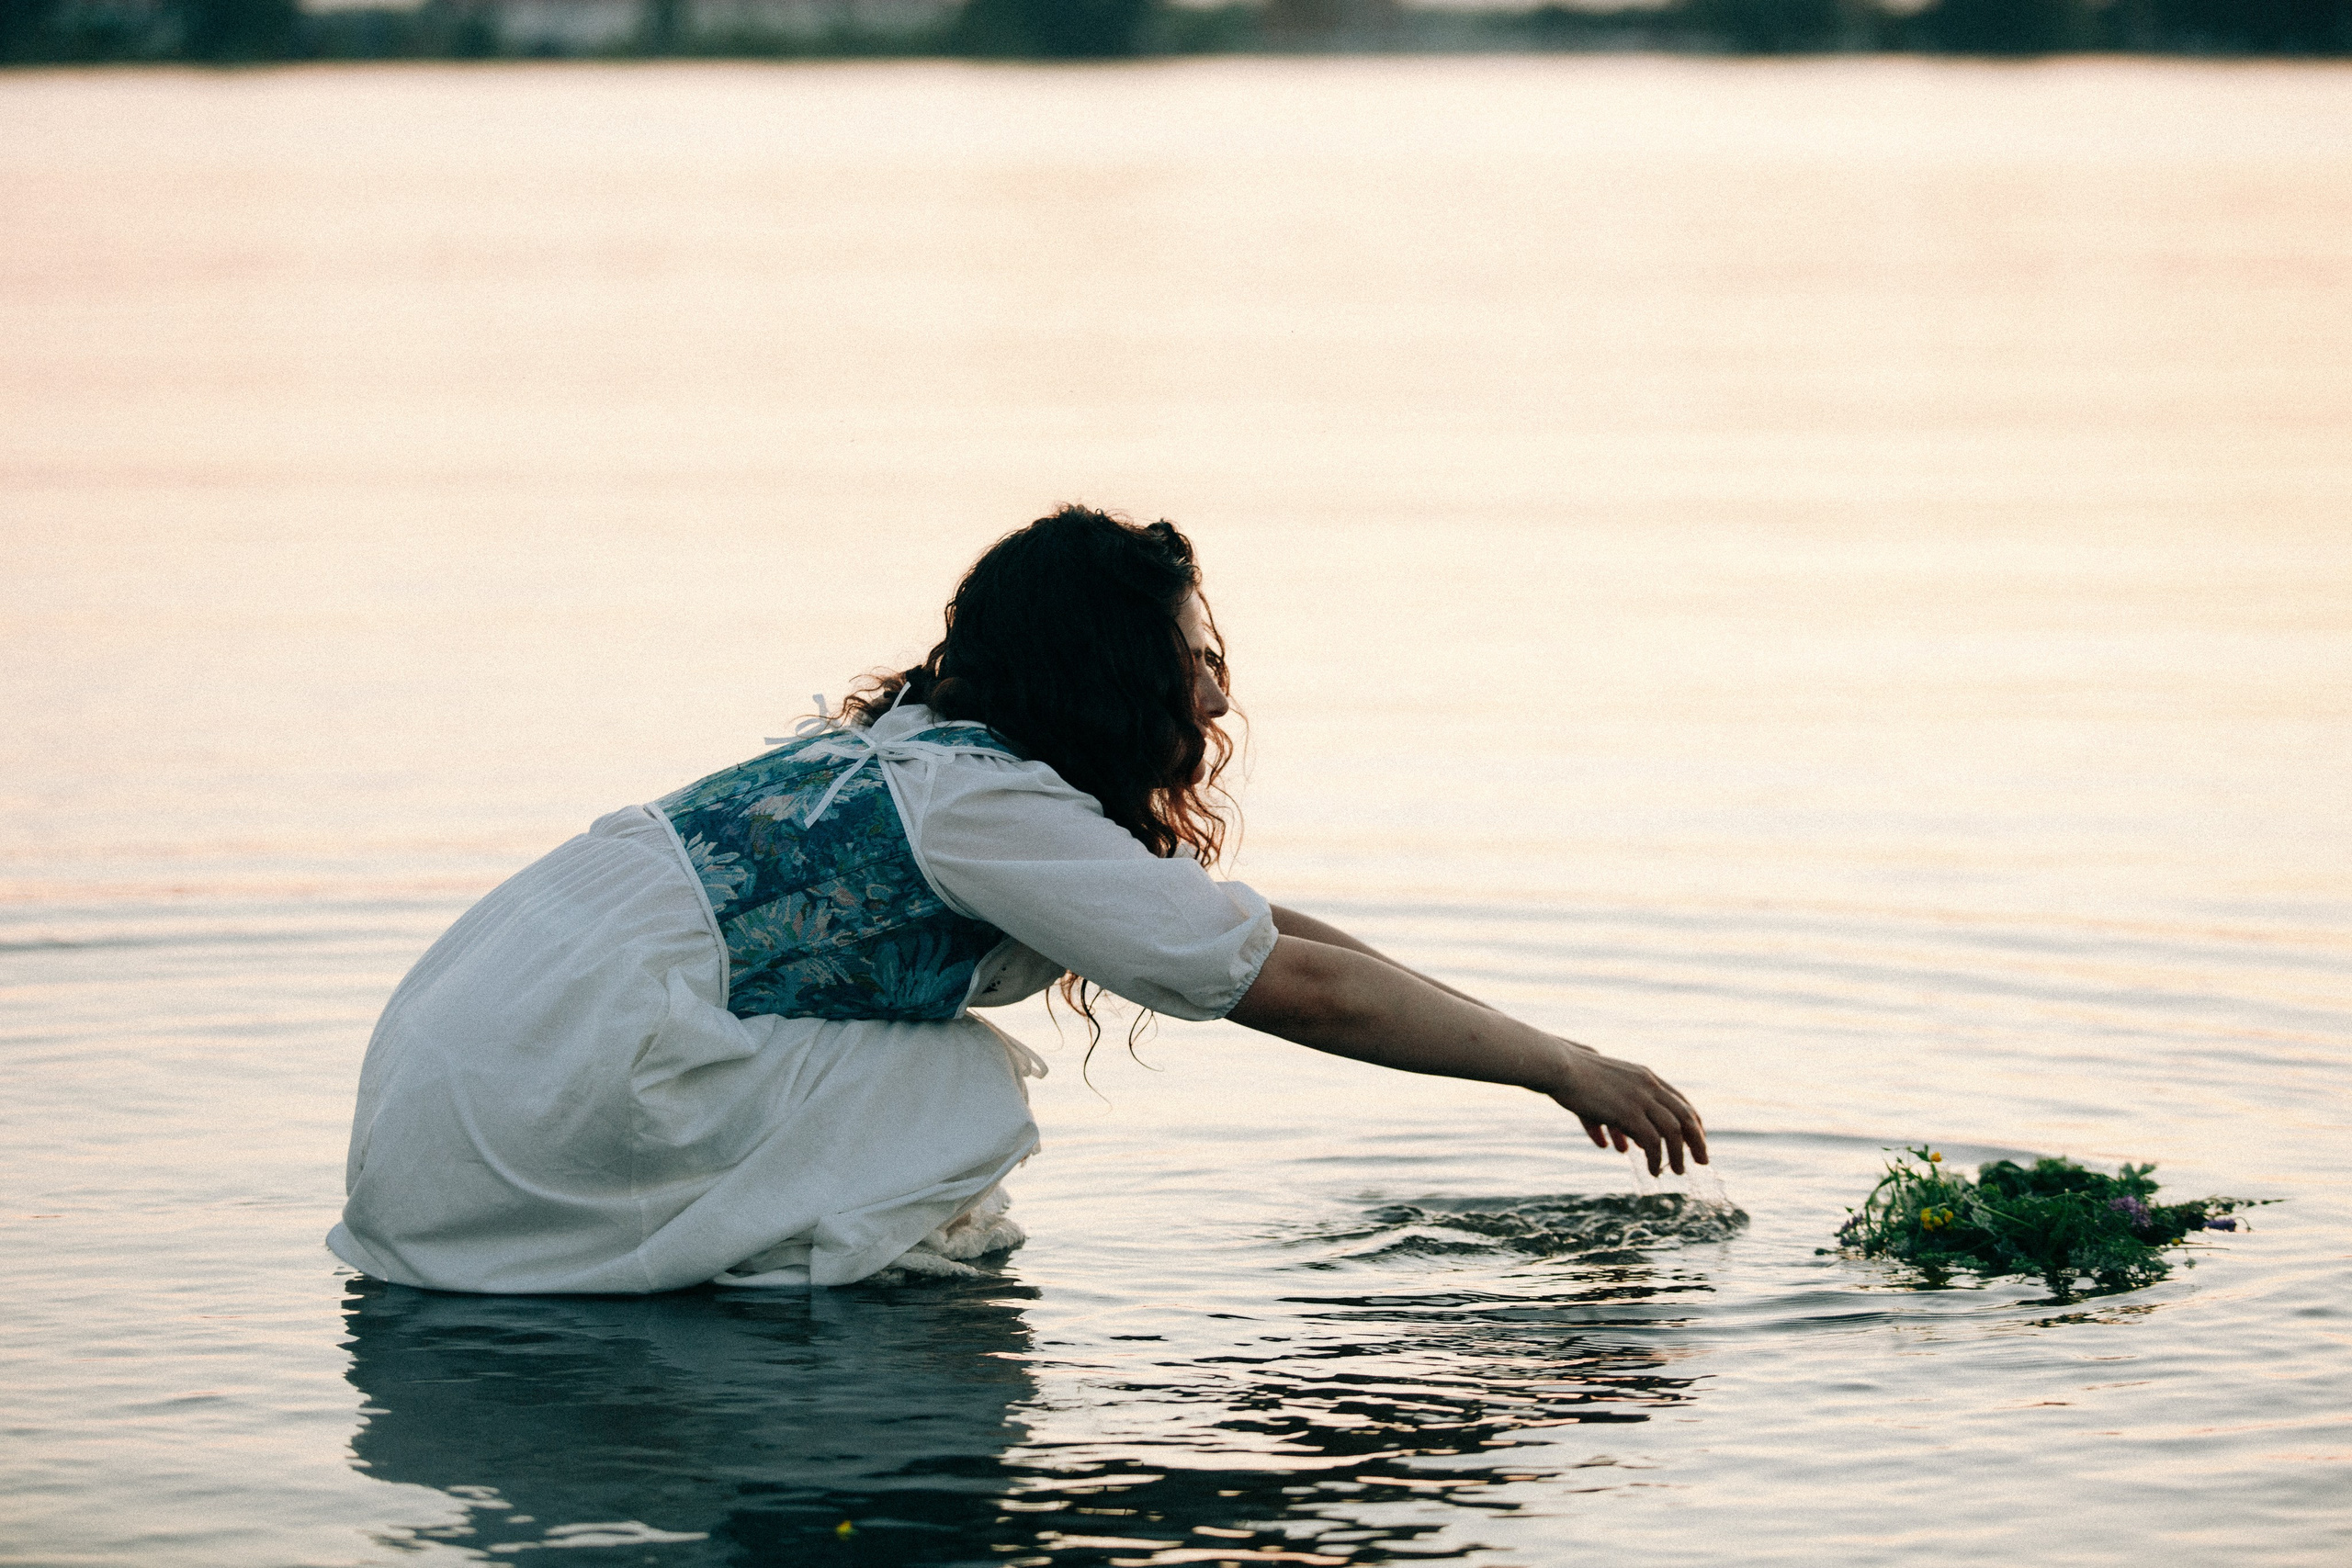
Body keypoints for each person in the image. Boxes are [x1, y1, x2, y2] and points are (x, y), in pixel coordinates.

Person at [328, 507, 1706, 1295]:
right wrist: (1560, 1069)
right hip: (522, 1125)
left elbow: (1261, 933)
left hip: (444, 1115)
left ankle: (735, 1249)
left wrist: (1540, 1041)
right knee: (964, 1093)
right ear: (1111, 680)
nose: (1218, 694)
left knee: (921, 1075)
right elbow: (1300, 989)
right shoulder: (981, 806)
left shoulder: (924, 761)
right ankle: (781, 1293)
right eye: (1192, 660)